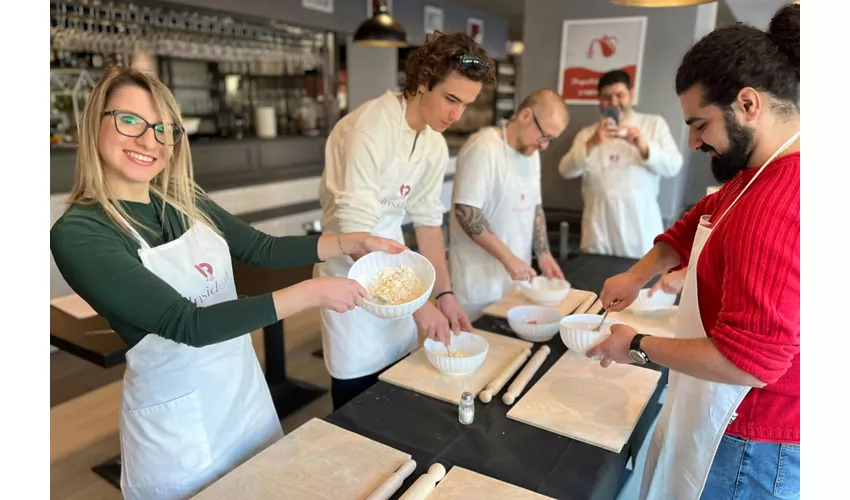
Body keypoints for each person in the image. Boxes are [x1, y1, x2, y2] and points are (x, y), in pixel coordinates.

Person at [50, 65, 405, 500]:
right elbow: (188, 324)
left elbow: (262, 248)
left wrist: (353, 240)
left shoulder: (182, 198)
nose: (149, 141)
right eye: (130, 121)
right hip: (180, 430)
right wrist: (313, 292)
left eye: (164, 129)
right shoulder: (81, 233)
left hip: (243, 395)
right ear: (94, 123)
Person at [591, 4, 800, 499]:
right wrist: (637, 275)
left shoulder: (778, 200)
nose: (692, 142)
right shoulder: (754, 173)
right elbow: (693, 225)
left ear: (748, 105)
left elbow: (750, 362)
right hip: (732, 414)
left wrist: (636, 344)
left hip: (756, 438)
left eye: (700, 124)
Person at [315, 32, 496, 410]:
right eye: (451, 99)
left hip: (399, 277)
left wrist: (442, 295)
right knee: (359, 399)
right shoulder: (368, 128)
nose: (456, 115)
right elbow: (355, 234)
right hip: (351, 278)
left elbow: (429, 222)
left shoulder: (432, 142)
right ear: (422, 80)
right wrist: (417, 306)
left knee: (396, 382)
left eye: (466, 105)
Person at [449, 89, 570, 318]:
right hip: (478, 281)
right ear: (525, 116)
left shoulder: (531, 153)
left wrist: (543, 253)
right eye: (544, 136)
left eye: (550, 141)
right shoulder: (484, 148)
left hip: (516, 280)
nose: (544, 146)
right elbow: (466, 211)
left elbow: (535, 205)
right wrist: (508, 257)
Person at [557, 70, 684, 259]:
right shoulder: (587, 134)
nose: (614, 103)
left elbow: (674, 166)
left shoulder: (653, 125)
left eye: (620, 95)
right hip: (599, 233)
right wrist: (592, 142)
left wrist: (643, 145)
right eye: (607, 97)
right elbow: (565, 170)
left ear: (630, 95)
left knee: (642, 286)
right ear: (599, 100)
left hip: (640, 234)